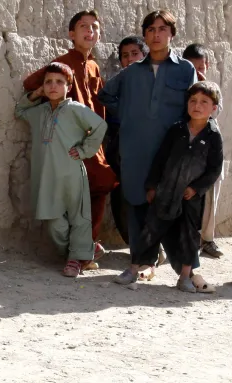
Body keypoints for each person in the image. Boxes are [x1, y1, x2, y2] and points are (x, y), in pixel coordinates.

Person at [101, 9, 198, 286]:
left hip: (171, 151)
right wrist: (130, 115)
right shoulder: (132, 72)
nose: (156, 35)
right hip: (136, 149)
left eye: (162, 29)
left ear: (172, 34)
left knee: (176, 210)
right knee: (137, 206)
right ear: (145, 35)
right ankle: (136, 265)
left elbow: (194, 104)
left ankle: (186, 273)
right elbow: (106, 95)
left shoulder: (185, 69)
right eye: (151, 30)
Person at [22, 10, 118, 265]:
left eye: (94, 27)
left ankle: (84, 251)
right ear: (71, 34)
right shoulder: (65, 61)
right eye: (83, 27)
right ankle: (80, 251)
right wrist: (48, 88)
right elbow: (30, 82)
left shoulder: (94, 65)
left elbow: (98, 106)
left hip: (91, 143)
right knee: (71, 204)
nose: (90, 31)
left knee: (100, 187)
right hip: (68, 141)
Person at [16, 62, 108, 277]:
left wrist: (85, 150)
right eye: (48, 82)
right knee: (54, 223)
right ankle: (87, 250)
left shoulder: (75, 109)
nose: (53, 86)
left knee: (78, 218)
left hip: (71, 173)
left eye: (59, 82)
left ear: (69, 86)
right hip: (47, 177)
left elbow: (100, 126)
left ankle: (75, 259)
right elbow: (19, 111)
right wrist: (36, 93)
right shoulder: (39, 112)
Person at [130, 81, 224, 293]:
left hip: (190, 198)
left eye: (204, 102)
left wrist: (196, 189)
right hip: (166, 192)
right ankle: (133, 269)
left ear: (214, 108)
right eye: (193, 101)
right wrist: (152, 186)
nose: (197, 106)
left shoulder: (213, 136)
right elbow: (160, 160)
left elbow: (214, 170)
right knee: (150, 231)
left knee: (189, 236)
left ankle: (184, 277)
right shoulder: (177, 129)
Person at [181, 42, 223, 259]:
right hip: (188, 151)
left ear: (206, 65)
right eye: (192, 67)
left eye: (201, 67)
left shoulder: (212, 89)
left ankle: (207, 239)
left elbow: (214, 116)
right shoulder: (185, 89)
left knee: (210, 195)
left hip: (210, 149)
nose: (197, 72)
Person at [104, 35, 147, 245]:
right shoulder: (117, 85)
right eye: (125, 56)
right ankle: (134, 244)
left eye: (135, 54)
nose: (130, 59)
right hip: (122, 151)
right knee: (122, 197)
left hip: (151, 153)